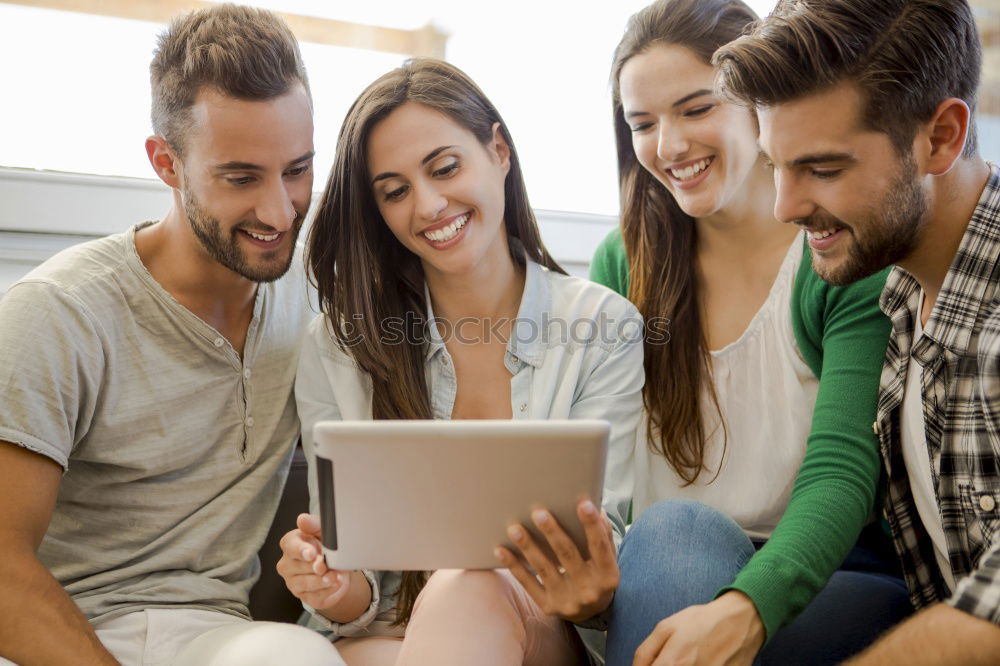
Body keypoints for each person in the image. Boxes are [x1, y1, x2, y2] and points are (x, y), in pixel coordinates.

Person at [0, 5, 345, 665]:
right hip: (60, 635)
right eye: (241, 178)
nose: (279, 210)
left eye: (297, 169)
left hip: (219, 634)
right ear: (167, 162)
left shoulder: (314, 300)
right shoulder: (59, 313)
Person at [275, 58, 644, 666]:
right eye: (395, 192)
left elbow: (597, 559)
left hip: (538, 636)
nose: (427, 206)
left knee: (467, 585)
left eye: (445, 168)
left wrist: (583, 581)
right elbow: (355, 583)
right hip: (394, 643)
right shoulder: (338, 347)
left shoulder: (602, 328)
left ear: (499, 151)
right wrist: (334, 586)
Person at [587, 1, 912, 664]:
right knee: (677, 540)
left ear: (762, 103)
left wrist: (745, 609)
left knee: (679, 543)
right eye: (642, 123)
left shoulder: (837, 253)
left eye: (697, 108)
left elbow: (843, 474)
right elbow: (606, 469)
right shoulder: (621, 262)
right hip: (661, 571)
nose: (669, 146)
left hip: (825, 576)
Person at [714, 0, 1000, 663]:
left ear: (942, 137)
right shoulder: (901, 292)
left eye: (823, 169)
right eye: (774, 166)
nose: (786, 206)